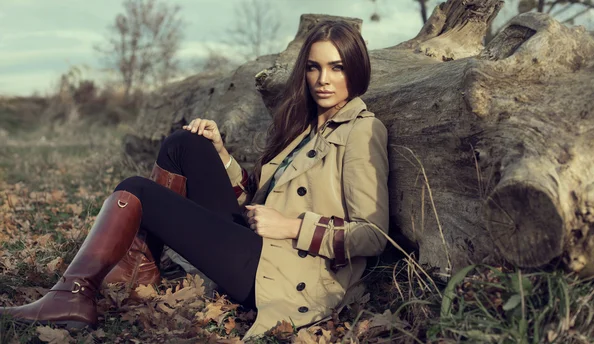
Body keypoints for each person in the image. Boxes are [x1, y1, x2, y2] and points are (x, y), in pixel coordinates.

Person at [0, 20, 389, 340]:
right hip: (261, 244)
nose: (323, 79)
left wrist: (291, 227)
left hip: (290, 271)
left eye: (336, 67)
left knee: (136, 189)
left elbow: (373, 234)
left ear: (355, 69)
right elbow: (256, 199)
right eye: (314, 67)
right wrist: (220, 154)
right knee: (185, 144)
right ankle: (141, 275)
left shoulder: (362, 131)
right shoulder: (305, 127)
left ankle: (72, 294)